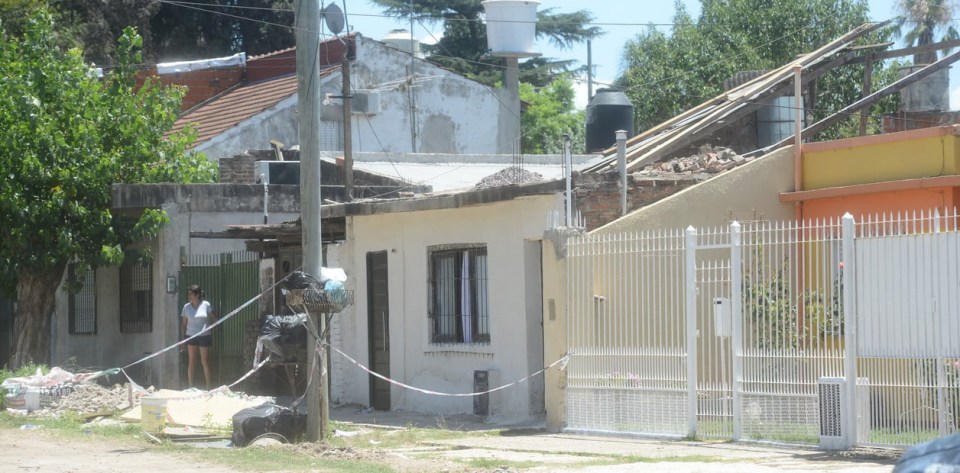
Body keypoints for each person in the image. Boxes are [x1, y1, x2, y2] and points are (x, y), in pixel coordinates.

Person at [181, 284, 216, 389]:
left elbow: (214, 317)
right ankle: (191, 386)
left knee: (204, 361)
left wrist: (214, 325)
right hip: (191, 336)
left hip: (204, 336)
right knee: (191, 360)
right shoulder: (186, 307)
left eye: (191, 294)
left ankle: (208, 386)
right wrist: (183, 340)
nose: (189, 296)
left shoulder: (206, 304)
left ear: (197, 295)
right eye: (188, 294)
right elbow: (183, 324)